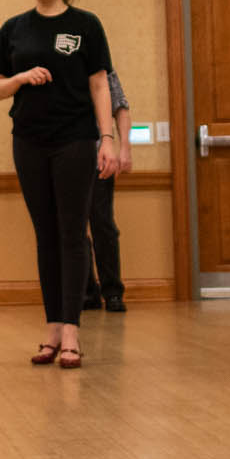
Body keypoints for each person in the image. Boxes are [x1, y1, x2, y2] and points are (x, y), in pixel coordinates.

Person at [0, 0, 116, 370]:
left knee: (73, 233)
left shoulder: (86, 25)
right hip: (28, 140)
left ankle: (74, 329)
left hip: (76, 140)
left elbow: (100, 84)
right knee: (46, 234)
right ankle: (53, 327)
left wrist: (108, 137)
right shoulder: (13, 29)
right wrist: (21, 77)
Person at [82, 69, 133, 313]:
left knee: (103, 225)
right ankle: (86, 292)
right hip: (67, 158)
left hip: (99, 159)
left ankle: (112, 292)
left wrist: (124, 148)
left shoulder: (104, 68)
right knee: (73, 230)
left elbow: (121, 107)